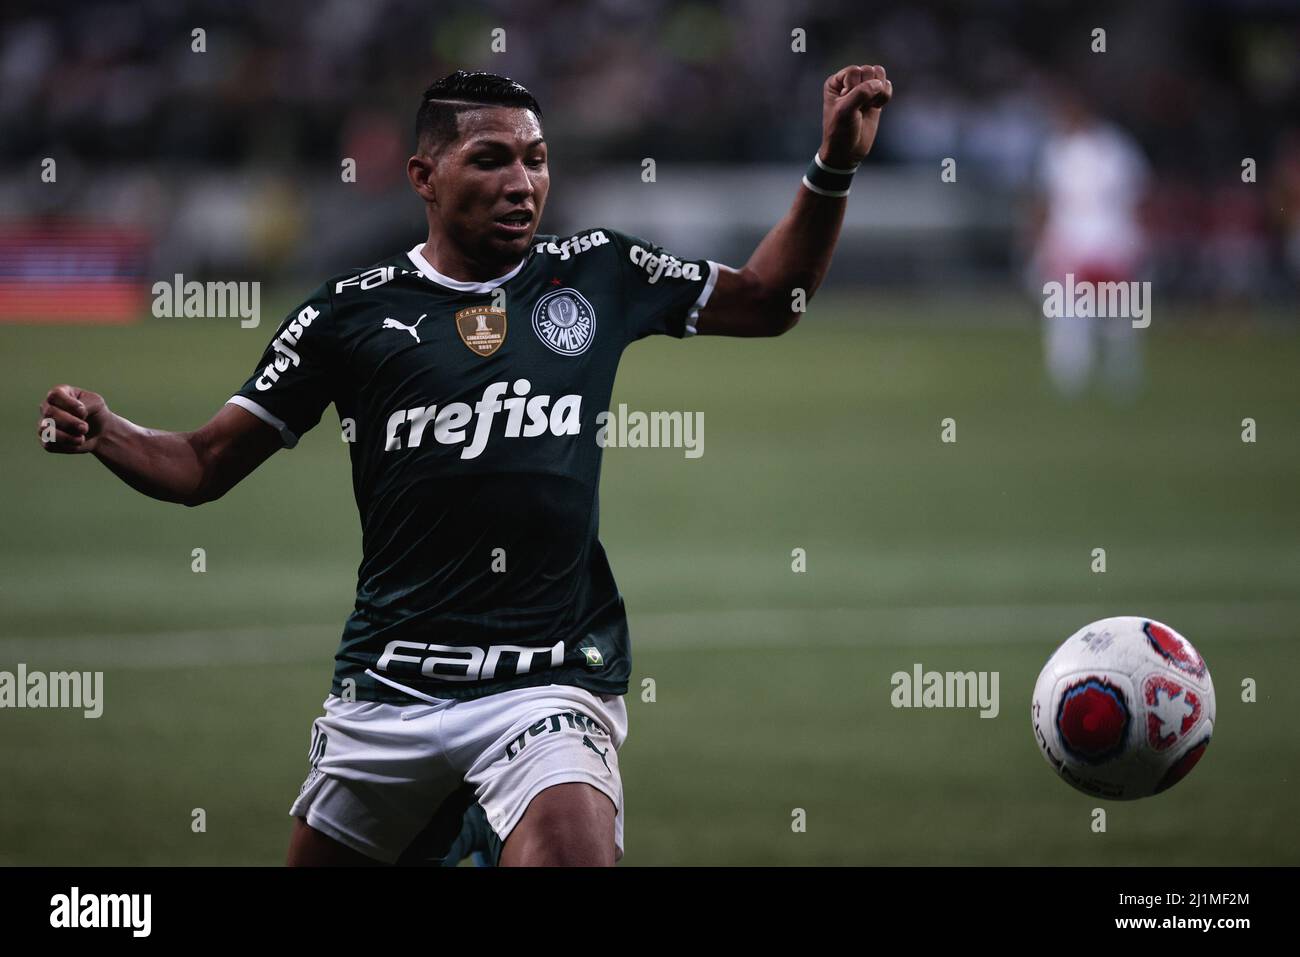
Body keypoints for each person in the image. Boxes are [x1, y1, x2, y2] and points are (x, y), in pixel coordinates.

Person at [36, 66, 892, 866]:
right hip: (387, 688)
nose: (522, 182)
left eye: (536, 160)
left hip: (546, 679)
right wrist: (107, 430)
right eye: (491, 159)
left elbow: (771, 301)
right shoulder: (349, 314)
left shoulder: (598, 272)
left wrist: (833, 168)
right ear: (423, 176)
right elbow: (201, 463)